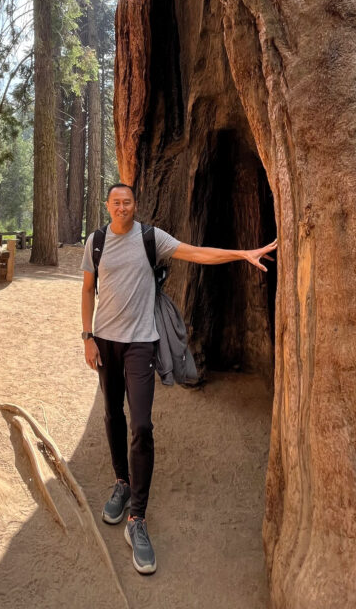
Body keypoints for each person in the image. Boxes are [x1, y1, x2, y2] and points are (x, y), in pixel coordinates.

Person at [80, 182, 276, 576]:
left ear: (136, 205)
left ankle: (137, 518)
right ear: (108, 205)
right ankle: (121, 481)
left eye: (128, 201)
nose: (121, 207)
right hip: (105, 343)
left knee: (141, 425)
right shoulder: (96, 241)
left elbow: (196, 252)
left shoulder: (152, 238)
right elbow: (87, 290)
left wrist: (241, 254)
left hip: (140, 344)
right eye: (115, 201)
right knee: (112, 417)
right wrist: (87, 337)